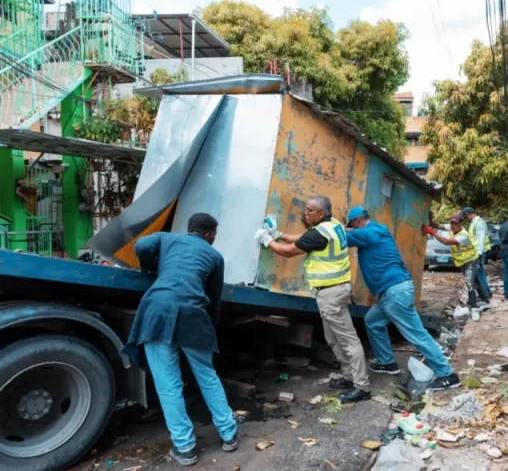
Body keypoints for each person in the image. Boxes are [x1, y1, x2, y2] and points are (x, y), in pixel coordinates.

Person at [123, 213, 237, 467]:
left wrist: (149, 267)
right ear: (208, 234)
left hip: (156, 314)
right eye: (214, 235)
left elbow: (141, 246)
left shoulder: (166, 239)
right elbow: (214, 299)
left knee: (168, 385)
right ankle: (229, 435)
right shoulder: (214, 256)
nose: (214, 239)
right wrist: (210, 326)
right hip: (193, 316)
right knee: (207, 376)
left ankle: (185, 449)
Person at [256, 196, 371, 403]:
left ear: (321, 213)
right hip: (335, 290)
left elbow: (289, 252)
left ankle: (362, 387)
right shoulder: (332, 225)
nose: (305, 213)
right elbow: (302, 238)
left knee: (347, 340)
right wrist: (278, 234)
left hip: (331, 293)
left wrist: (267, 241)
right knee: (333, 338)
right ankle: (348, 377)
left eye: (309, 210)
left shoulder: (320, 233)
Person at [346, 206, 461, 390]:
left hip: (395, 292)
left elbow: (338, 238)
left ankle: (447, 374)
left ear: (357, 221)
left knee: (416, 334)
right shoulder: (378, 229)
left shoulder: (369, 232)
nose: (353, 229)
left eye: (352, 225)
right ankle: (387, 362)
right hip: (391, 292)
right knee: (372, 321)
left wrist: (332, 229)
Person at [423, 214, 480, 309]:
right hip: (462, 262)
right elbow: (438, 226)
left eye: (455, 223)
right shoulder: (451, 227)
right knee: (474, 281)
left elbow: (446, 241)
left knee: (469, 283)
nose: (453, 225)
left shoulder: (463, 236)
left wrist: (432, 233)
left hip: (471, 261)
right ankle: (484, 298)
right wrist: (430, 221)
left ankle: (474, 306)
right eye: (451, 223)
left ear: (461, 223)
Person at [461, 207, 492, 301]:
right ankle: (487, 293)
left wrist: (479, 252)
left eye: (466, 216)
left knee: (479, 273)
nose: (466, 219)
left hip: (479, 252)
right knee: (480, 272)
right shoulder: (474, 223)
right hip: (476, 251)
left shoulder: (479, 223)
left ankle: (485, 294)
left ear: (470, 214)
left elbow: (481, 238)